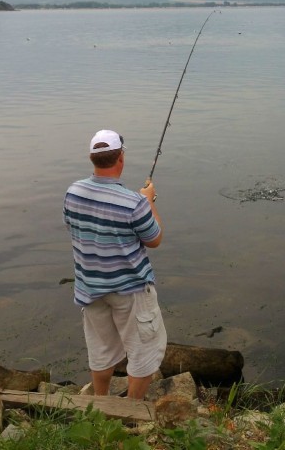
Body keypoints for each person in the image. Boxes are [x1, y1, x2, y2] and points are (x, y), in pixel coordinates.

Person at [63, 129, 166, 399]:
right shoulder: (134, 203)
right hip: (129, 291)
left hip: (90, 288)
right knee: (143, 353)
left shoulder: (72, 193)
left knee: (101, 350)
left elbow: (73, 226)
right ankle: (129, 414)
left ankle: (100, 405)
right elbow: (154, 239)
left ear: (92, 159)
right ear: (121, 157)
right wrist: (149, 202)